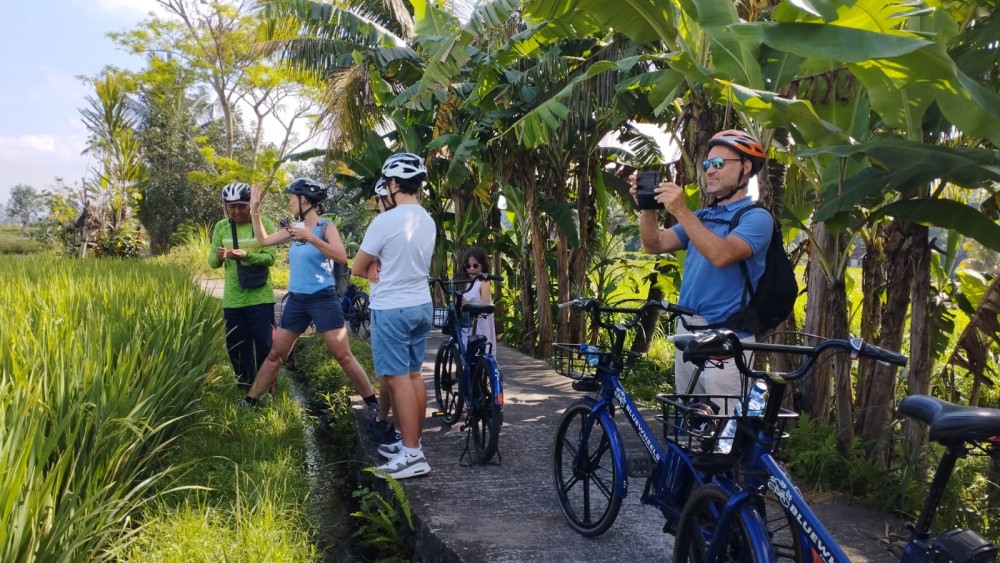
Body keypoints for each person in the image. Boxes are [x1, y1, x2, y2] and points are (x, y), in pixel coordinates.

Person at [631, 129, 772, 405]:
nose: (709, 171)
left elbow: (721, 254)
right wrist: (647, 208)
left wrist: (681, 210)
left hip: (726, 340)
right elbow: (655, 244)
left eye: (719, 164)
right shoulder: (703, 216)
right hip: (688, 333)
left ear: (745, 168)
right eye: (707, 164)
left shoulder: (757, 218)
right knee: (689, 426)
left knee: (725, 435)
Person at [240, 178, 380, 424]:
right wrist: (255, 210)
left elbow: (341, 257)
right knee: (276, 354)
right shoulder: (294, 228)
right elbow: (263, 241)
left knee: (343, 355)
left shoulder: (327, 227)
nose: (289, 202)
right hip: (297, 300)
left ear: (304, 200)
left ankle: (372, 403)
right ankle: (249, 402)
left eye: (292, 198)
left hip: (323, 298)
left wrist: (311, 237)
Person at [352, 153, 436, 479]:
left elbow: (358, 266)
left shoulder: (385, 221)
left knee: (399, 378)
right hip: (421, 305)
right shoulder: (427, 220)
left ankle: (412, 454)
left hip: (392, 308)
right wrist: (377, 261)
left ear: (395, 184)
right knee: (415, 376)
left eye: (388, 183)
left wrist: (372, 263)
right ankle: (410, 444)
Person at [208, 182, 277, 390]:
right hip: (233, 300)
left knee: (265, 345)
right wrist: (219, 256)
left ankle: (266, 388)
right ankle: (246, 388)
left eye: (241, 206)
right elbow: (212, 262)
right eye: (232, 206)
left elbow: (270, 258)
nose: (237, 211)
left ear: (250, 205)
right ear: (226, 207)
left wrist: (245, 255)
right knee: (237, 346)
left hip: (260, 298)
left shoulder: (264, 223)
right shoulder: (221, 227)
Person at [456, 246, 497, 354]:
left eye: (475, 266)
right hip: (468, 325)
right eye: (468, 266)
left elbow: (485, 302)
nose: (472, 269)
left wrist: (469, 303)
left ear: (482, 266)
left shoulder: (484, 282)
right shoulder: (467, 283)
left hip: (480, 324)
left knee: (481, 351)